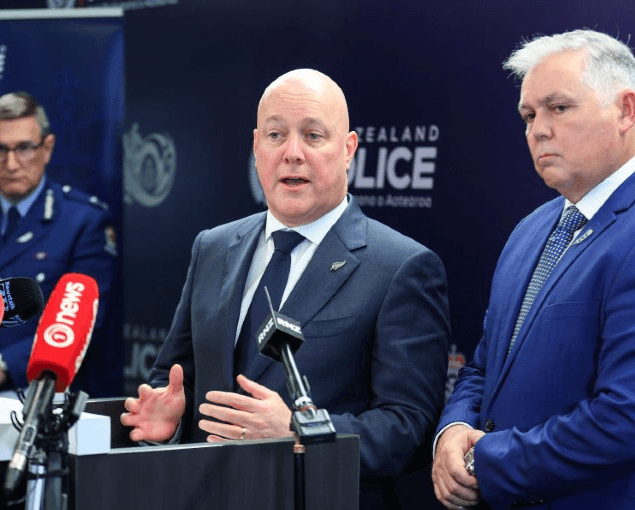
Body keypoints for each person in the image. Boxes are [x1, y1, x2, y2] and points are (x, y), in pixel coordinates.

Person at [120, 69, 451, 507]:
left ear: (348, 149)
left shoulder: (401, 266)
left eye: (313, 135)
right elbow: (173, 378)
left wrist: (298, 432)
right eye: (276, 135)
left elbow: (409, 429)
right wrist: (172, 422)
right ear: (257, 146)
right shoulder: (213, 247)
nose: (292, 153)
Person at [431, 29, 635, 510]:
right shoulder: (531, 228)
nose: (538, 129)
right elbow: (485, 367)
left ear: (626, 111)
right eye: (529, 115)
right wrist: (452, 431)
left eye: (558, 107)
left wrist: (482, 462)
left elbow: (628, 423)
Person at [0, 91, 120, 397]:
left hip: (37, 394)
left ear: (47, 148)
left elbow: (85, 321)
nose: (11, 163)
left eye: (24, 148)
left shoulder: (83, 221)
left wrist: (0, 368)